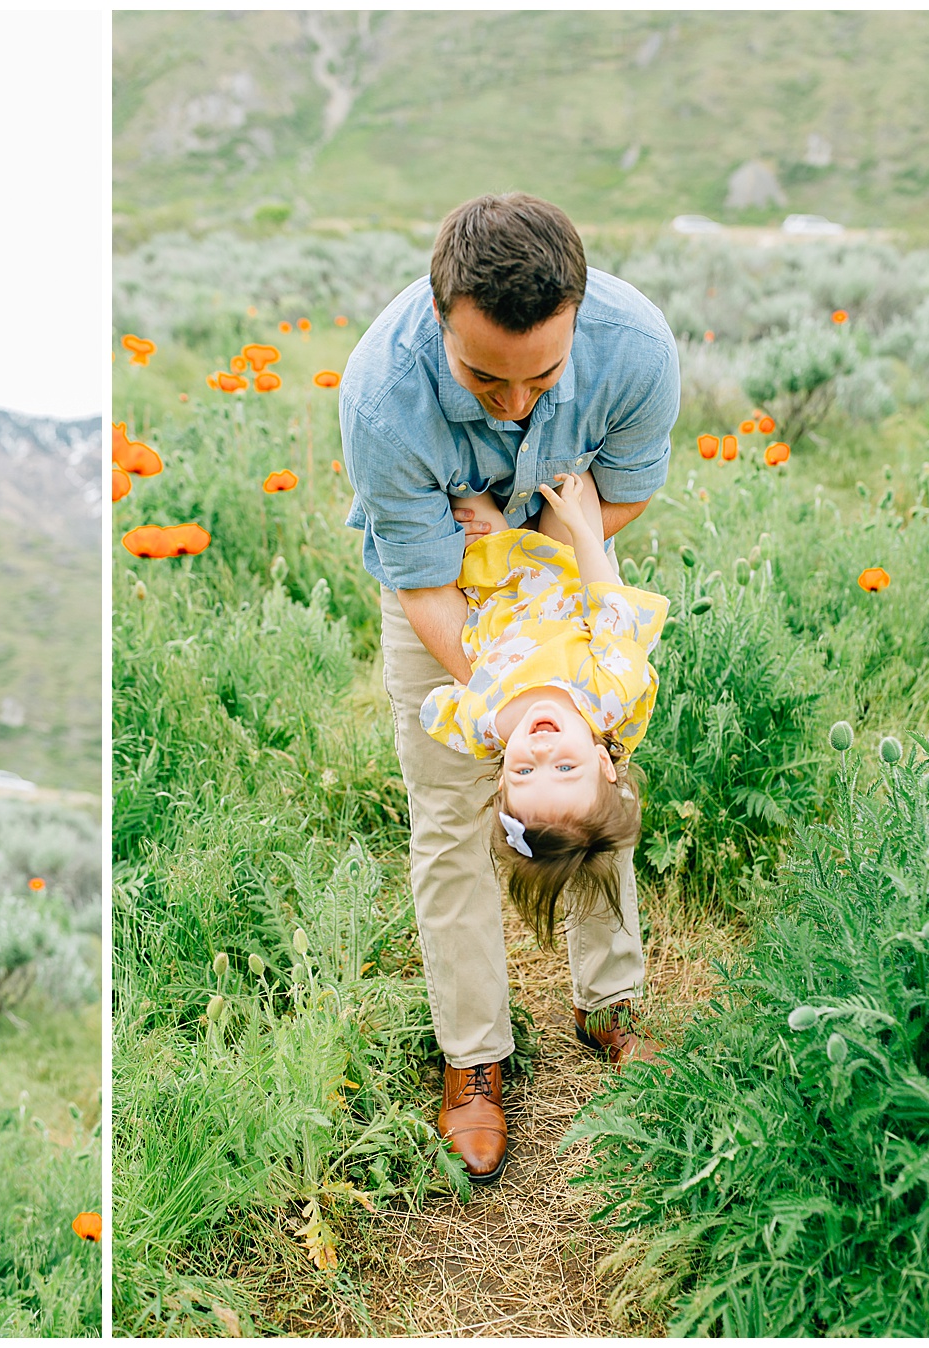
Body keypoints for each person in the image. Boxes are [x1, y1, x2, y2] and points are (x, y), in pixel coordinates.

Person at [340, 191, 679, 1185]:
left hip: (572, 588)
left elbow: (629, 488)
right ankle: (474, 1056)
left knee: (591, 802)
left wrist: (548, 567)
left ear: (577, 318)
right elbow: (424, 583)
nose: (519, 405)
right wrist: (507, 710)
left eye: (545, 376)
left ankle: (608, 1000)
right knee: (452, 819)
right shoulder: (380, 398)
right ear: (440, 316)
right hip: (451, 603)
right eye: (486, 378)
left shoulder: (637, 349)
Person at [421, 470, 668, 953]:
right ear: (602, 764)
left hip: (501, 578)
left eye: (526, 770)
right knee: (570, 481)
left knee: (467, 496)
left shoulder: (485, 724)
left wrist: (458, 567)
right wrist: (582, 530)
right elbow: (611, 609)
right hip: (569, 567)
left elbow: (443, 703)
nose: (541, 748)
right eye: (565, 767)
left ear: (501, 783)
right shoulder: (606, 696)